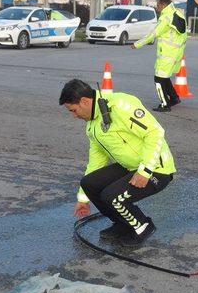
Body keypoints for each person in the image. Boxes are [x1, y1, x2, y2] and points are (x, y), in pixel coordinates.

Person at [60, 79, 176, 246]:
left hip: (156, 169)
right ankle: (123, 224)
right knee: (89, 183)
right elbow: (96, 162)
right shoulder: (92, 125)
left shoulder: (121, 104)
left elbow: (155, 132)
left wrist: (145, 171)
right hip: (130, 166)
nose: (74, 115)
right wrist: (83, 198)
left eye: (73, 110)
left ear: (84, 102)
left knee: (112, 197)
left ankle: (142, 226)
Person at [131, 0, 188, 112]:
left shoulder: (166, 18)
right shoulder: (177, 13)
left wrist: (137, 44)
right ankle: (174, 98)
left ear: (163, 5)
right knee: (164, 77)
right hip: (175, 53)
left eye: (158, 5)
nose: (157, 8)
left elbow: (153, 34)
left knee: (158, 79)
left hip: (167, 53)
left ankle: (164, 104)